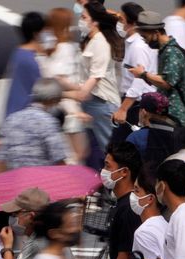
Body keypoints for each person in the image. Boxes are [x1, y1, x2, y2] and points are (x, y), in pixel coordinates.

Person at [61, 1, 123, 153]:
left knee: (110, 152)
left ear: (95, 22)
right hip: (94, 104)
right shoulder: (93, 40)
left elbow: (96, 76)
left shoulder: (100, 43)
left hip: (101, 104)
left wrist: (62, 94)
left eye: (84, 17)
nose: (80, 21)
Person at [0, 78, 70, 174]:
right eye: (58, 102)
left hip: (15, 181)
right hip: (41, 182)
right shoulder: (49, 122)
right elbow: (59, 160)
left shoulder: (11, 120)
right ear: (53, 100)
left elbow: (0, 161)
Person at [40, 7, 88, 163]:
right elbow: (59, 77)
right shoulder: (65, 47)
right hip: (68, 106)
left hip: (55, 103)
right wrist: (78, 88)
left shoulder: (48, 46)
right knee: (76, 154)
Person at [130, 10, 185, 128]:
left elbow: (167, 82)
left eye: (145, 37)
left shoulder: (171, 52)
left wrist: (143, 74)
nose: (145, 41)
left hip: (174, 115)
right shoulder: (164, 51)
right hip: (166, 113)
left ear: (156, 33)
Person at [112, 2, 156, 144]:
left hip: (135, 104)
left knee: (123, 146)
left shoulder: (138, 47)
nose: (119, 23)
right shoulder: (133, 43)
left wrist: (123, 109)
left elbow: (139, 80)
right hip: (132, 101)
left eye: (121, 19)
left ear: (129, 22)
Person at [125, 91, 177, 173]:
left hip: (143, 182)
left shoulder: (135, 137)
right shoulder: (176, 134)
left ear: (143, 112)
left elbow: (127, 167)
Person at [4, 12, 44, 118]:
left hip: (13, 112)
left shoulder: (18, 52)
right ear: (36, 33)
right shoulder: (31, 61)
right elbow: (45, 91)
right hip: (24, 116)